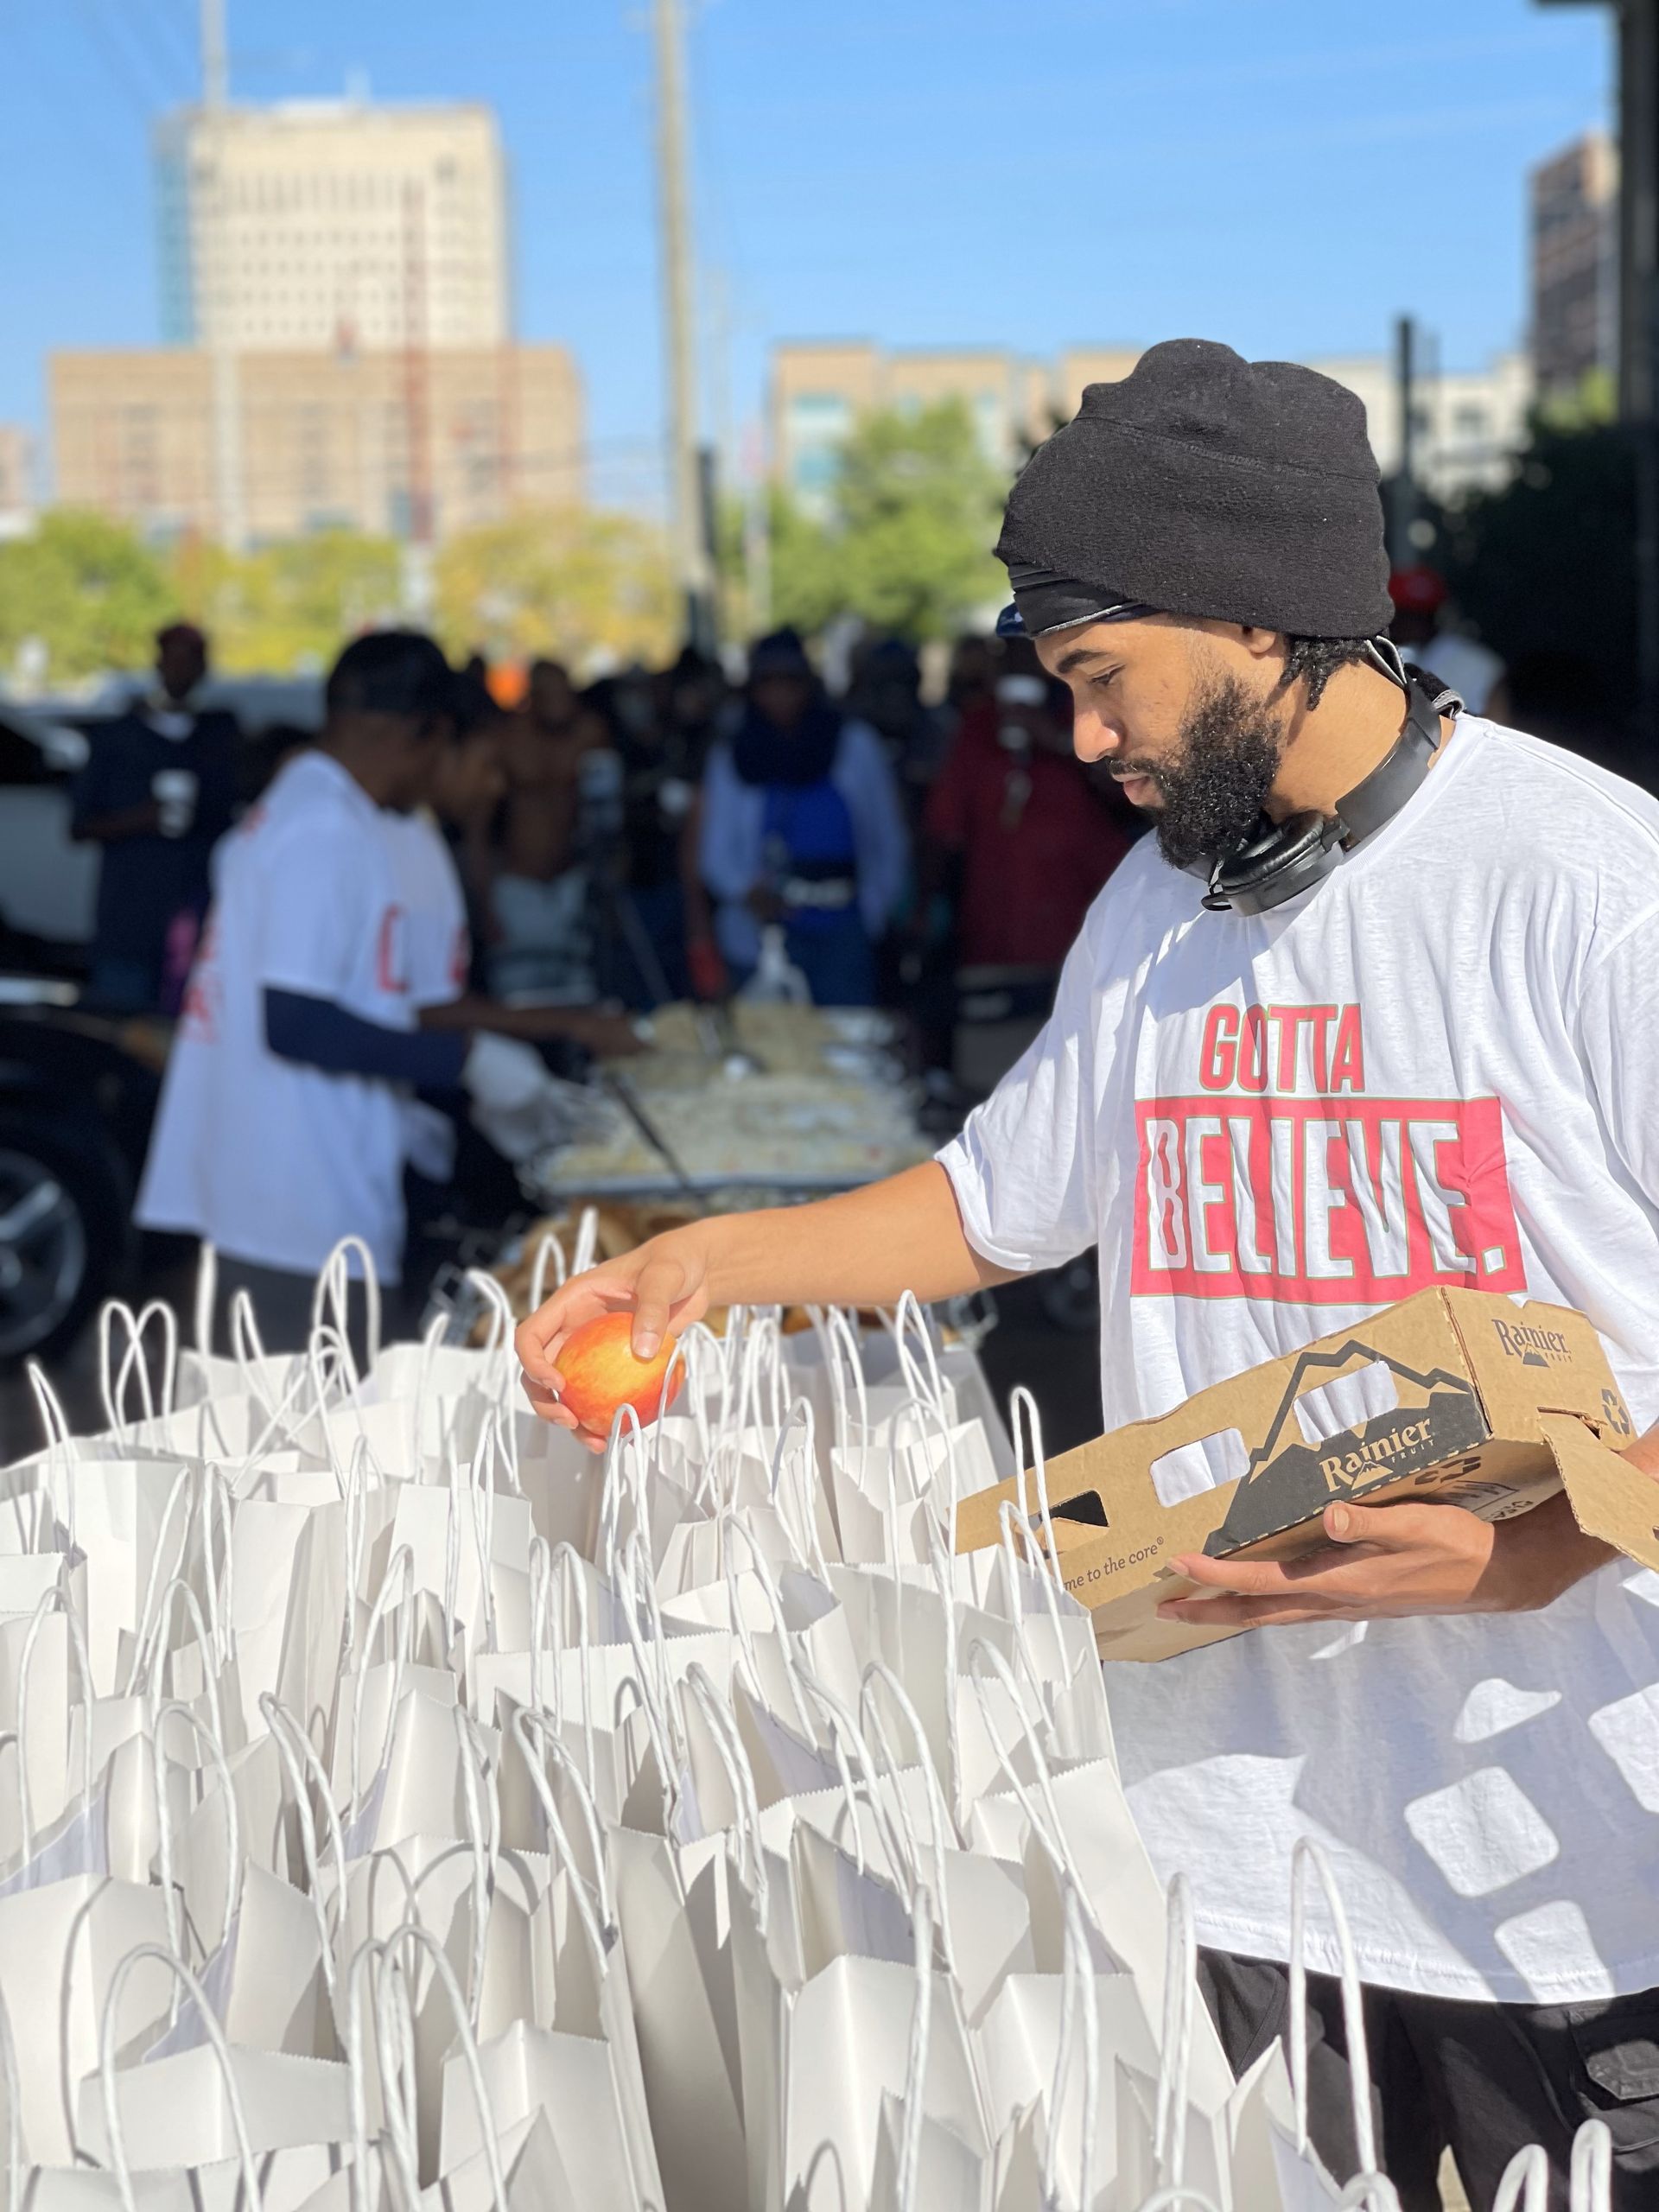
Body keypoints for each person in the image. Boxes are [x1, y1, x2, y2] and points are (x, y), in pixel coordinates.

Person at [518, 341, 1659, 2207]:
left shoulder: (1588, 890)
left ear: (1255, 612)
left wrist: (1538, 1549)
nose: (1083, 739)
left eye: (1099, 676)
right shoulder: (1161, 910)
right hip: (1223, 1846)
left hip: (1563, 1881)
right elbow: (999, 1202)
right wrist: (707, 1263)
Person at [137, 632, 628, 1352]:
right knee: (317, 1439)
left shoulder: (308, 808)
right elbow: (296, 1023)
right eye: (441, 752)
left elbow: (358, 997)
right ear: (418, 731)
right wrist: (462, 1059)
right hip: (298, 1200)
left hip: (285, 1183)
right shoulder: (325, 826)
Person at [917, 635, 1135, 1088]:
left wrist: (1057, 741)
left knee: (1084, 1084)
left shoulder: (1102, 722)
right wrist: (926, 918)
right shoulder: (977, 728)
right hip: (994, 941)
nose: (1027, 666)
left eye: (1039, 653)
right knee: (994, 1084)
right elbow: (943, 831)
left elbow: (1141, 802)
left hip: (1084, 941)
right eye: (1013, 654)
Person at [690, 629, 908, 1007]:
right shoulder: (732, 754)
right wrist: (747, 891)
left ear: (808, 684)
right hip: (762, 935)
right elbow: (714, 850)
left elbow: (886, 836)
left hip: (843, 932)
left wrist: (876, 909)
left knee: (845, 1043)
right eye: (767, 683)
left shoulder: (853, 744)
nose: (780, 694)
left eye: (790, 681)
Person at [70, 622, 239, 1011]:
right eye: (173, 658)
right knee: (123, 1029)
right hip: (129, 918)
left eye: (190, 660)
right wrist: (140, 819)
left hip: (194, 916)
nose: (180, 669)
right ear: (158, 663)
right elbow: (78, 826)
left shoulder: (217, 737)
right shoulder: (117, 738)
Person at [489, 658, 613, 1002]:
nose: (561, 702)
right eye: (551, 693)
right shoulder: (507, 740)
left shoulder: (590, 733)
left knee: (579, 988)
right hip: (519, 883)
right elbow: (480, 826)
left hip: (571, 879)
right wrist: (484, 901)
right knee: (520, 993)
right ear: (533, 696)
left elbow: (606, 808)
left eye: (565, 692)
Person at [1388, 566, 1508, 717]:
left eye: (1422, 616)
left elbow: (1498, 722)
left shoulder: (1480, 663)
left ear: (1437, 615)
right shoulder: (1377, 656)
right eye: (1404, 614)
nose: (1411, 625)